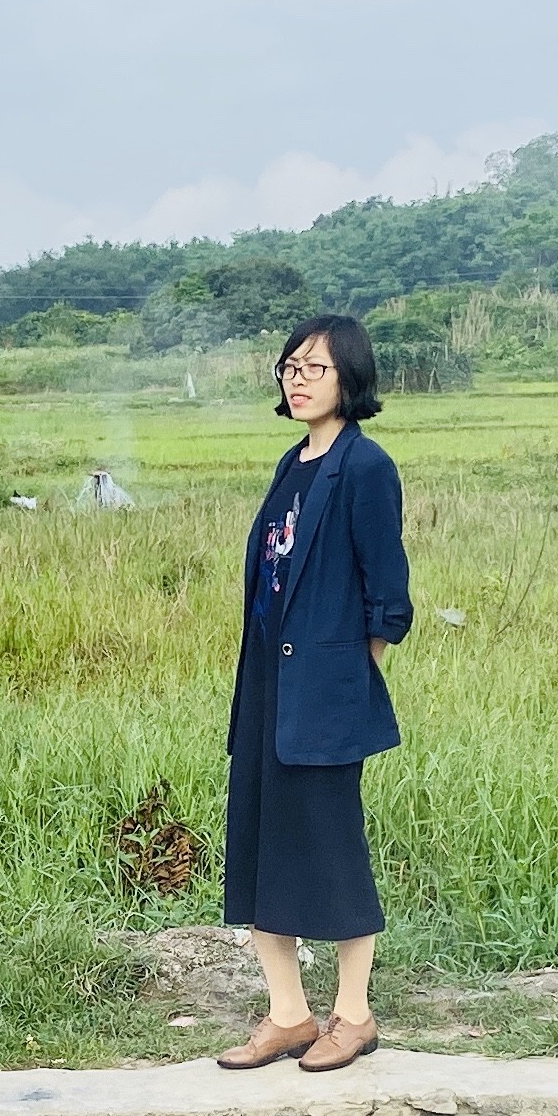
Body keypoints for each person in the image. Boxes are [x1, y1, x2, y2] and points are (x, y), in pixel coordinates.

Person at [218, 315, 410, 1073]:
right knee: (261, 848)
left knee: (331, 851)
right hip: (266, 684)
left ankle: (353, 1015)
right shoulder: (291, 463)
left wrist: (348, 675)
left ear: (349, 379)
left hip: (325, 692)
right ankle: (289, 1014)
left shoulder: (366, 468)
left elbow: (388, 597)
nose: (297, 379)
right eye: (289, 366)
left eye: (315, 368)